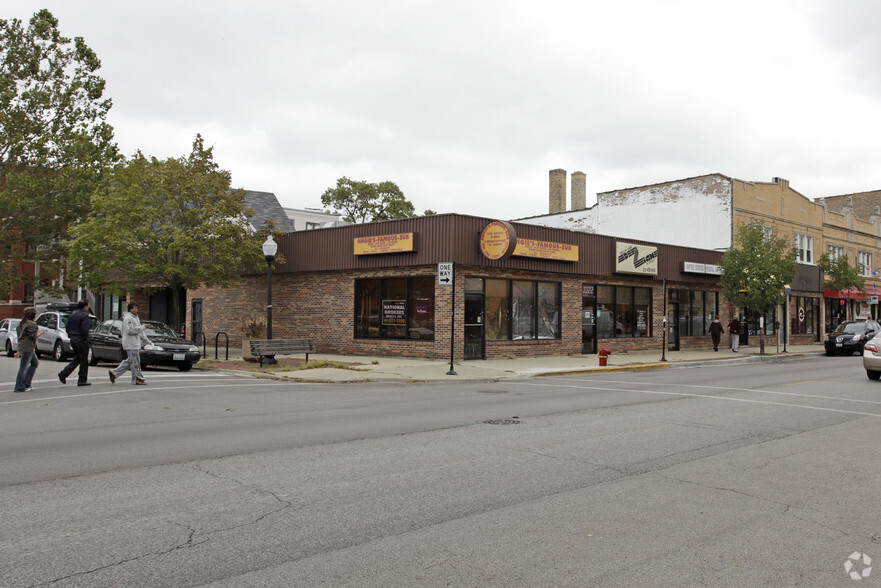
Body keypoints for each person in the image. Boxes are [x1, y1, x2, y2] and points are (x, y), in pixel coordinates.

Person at [109, 302, 152, 385]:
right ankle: (137, 379)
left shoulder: (136, 318)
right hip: (130, 343)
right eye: (133, 308)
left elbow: (140, 332)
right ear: (129, 309)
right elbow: (129, 330)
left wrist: (147, 341)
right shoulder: (127, 318)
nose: (135, 309)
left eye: (136, 308)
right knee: (135, 362)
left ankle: (114, 373)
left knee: (130, 361)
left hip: (135, 343)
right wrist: (143, 326)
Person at [58, 300, 92, 386]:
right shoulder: (85, 315)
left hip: (73, 338)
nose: (88, 308)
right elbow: (85, 328)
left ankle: (64, 373)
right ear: (85, 307)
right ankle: (82, 379)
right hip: (80, 338)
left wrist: (70, 335)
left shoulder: (72, 315)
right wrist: (84, 338)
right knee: (84, 359)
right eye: (87, 306)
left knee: (78, 358)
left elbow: (67, 326)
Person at [13, 307, 45, 393]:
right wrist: (41, 332)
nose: (36, 315)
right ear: (32, 314)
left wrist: (19, 350)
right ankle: (20, 387)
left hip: (24, 346)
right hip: (28, 347)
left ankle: (27, 384)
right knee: (24, 367)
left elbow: (20, 337)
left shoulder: (22, 323)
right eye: (35, 313)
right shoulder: (32, 324)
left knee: (35, 363)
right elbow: (33, 337)